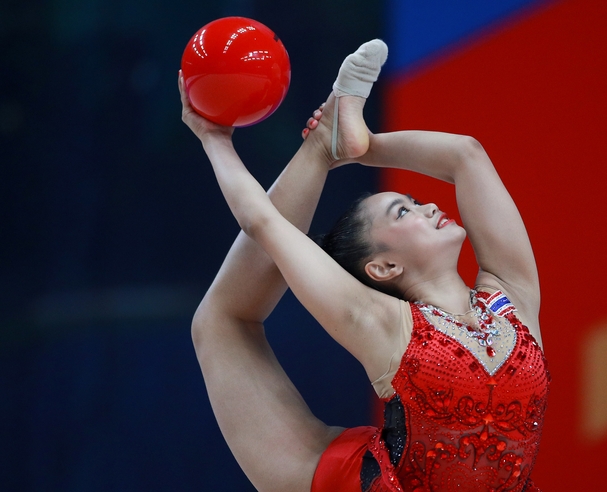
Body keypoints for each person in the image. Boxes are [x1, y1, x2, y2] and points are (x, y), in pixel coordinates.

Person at [181, 39, 549, 492]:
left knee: (222, 319)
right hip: (355, 481)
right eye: (403, 211)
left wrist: (364, 145)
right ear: (382, 267)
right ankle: (318, 149)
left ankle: (329, 143)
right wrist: (213, 140)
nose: (429, 206)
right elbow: (261, 220)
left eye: (413, 201)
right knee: (221, 322)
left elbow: (466, 156)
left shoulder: (510, 302)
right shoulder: (382, 322)